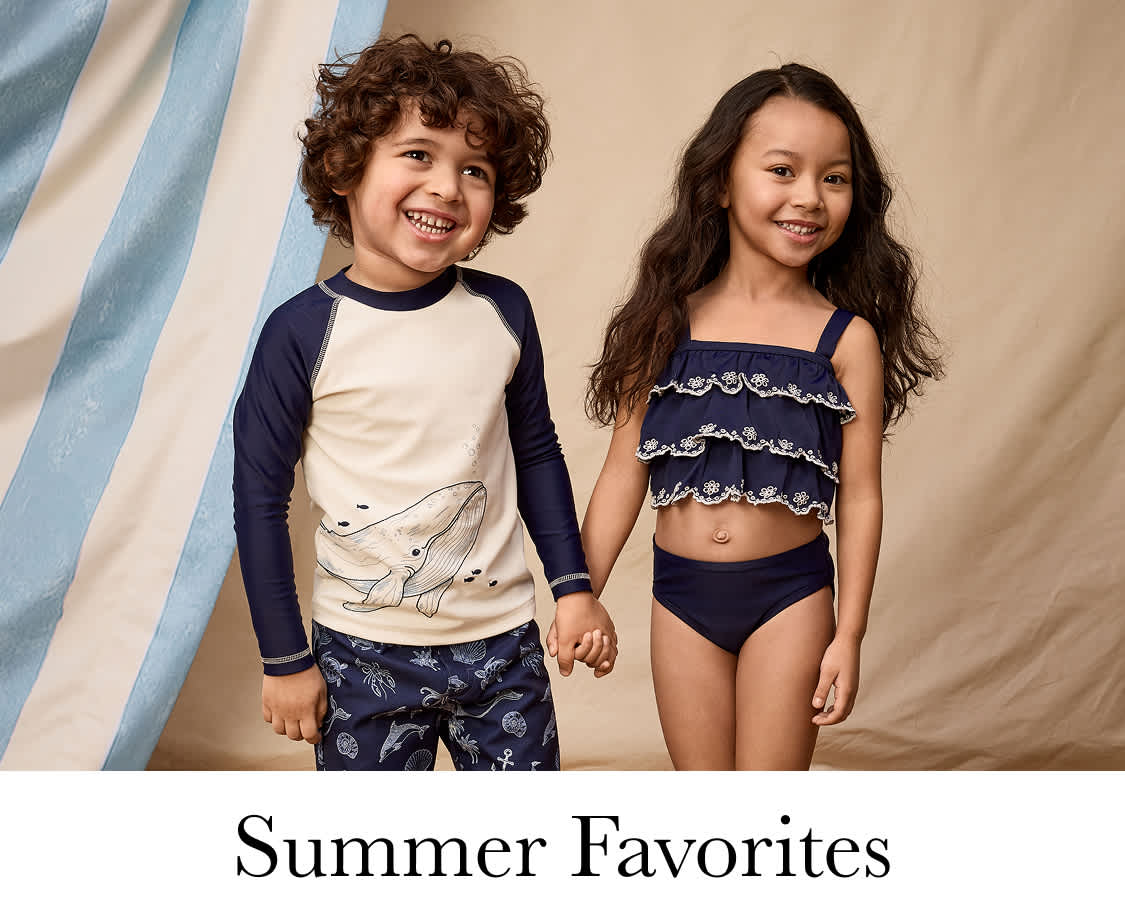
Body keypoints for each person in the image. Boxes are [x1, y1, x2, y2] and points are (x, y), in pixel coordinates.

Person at [233, 34, 616, 771]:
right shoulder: (300, 332)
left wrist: (573, 589)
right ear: (346, 169)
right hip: (358, 652)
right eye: (417, 154)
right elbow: (258, 499)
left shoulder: (504, 311)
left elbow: (535, 452)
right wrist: (283, 656)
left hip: (503, 646)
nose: (446, 186)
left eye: (473, 169)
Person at [582, 64, 941, 770]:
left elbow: (860, 495)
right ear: (719, 182)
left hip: (791, 598)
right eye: (782, 169)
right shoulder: (662, 322)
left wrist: (849, 634)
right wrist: (576, 595)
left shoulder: (847, 340)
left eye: (833, 178)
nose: (808, 197)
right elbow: (622, 472)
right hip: (678, 598)